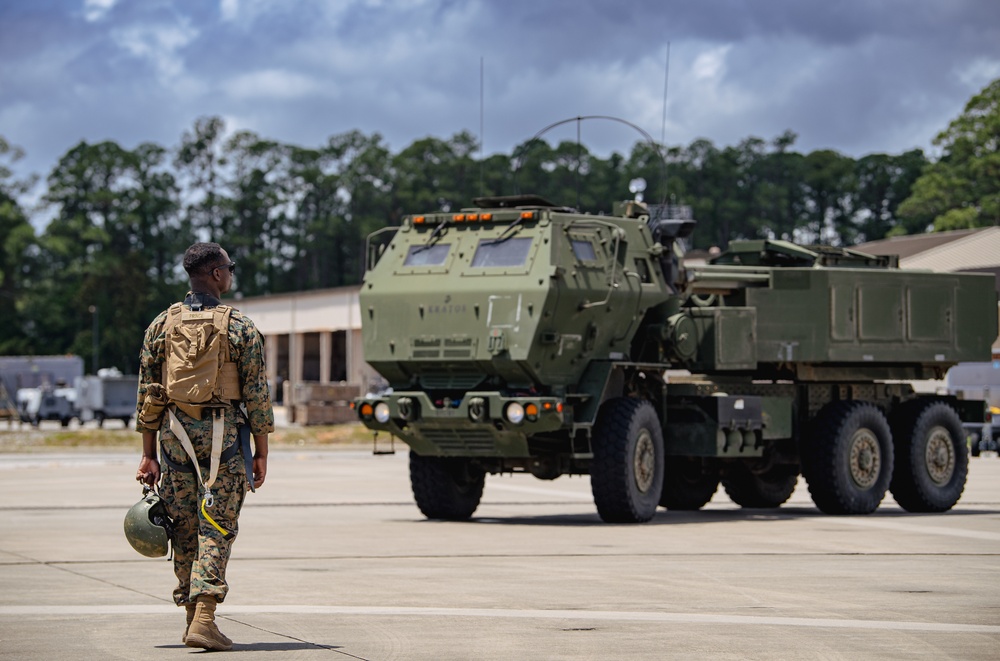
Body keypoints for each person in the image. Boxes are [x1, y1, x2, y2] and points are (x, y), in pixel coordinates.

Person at [134, 242, 273, 651]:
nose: (231, 273)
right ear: (215, 274)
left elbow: (147, 395)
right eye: (229, 267)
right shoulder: (241, 327)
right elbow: (257, 397)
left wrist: (147, 453)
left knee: (183, 528)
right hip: (223, 437)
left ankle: (191, 617)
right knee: (217, 524)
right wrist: (262, 451)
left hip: (173, 438)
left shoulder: (161, 325)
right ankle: (206, 617)